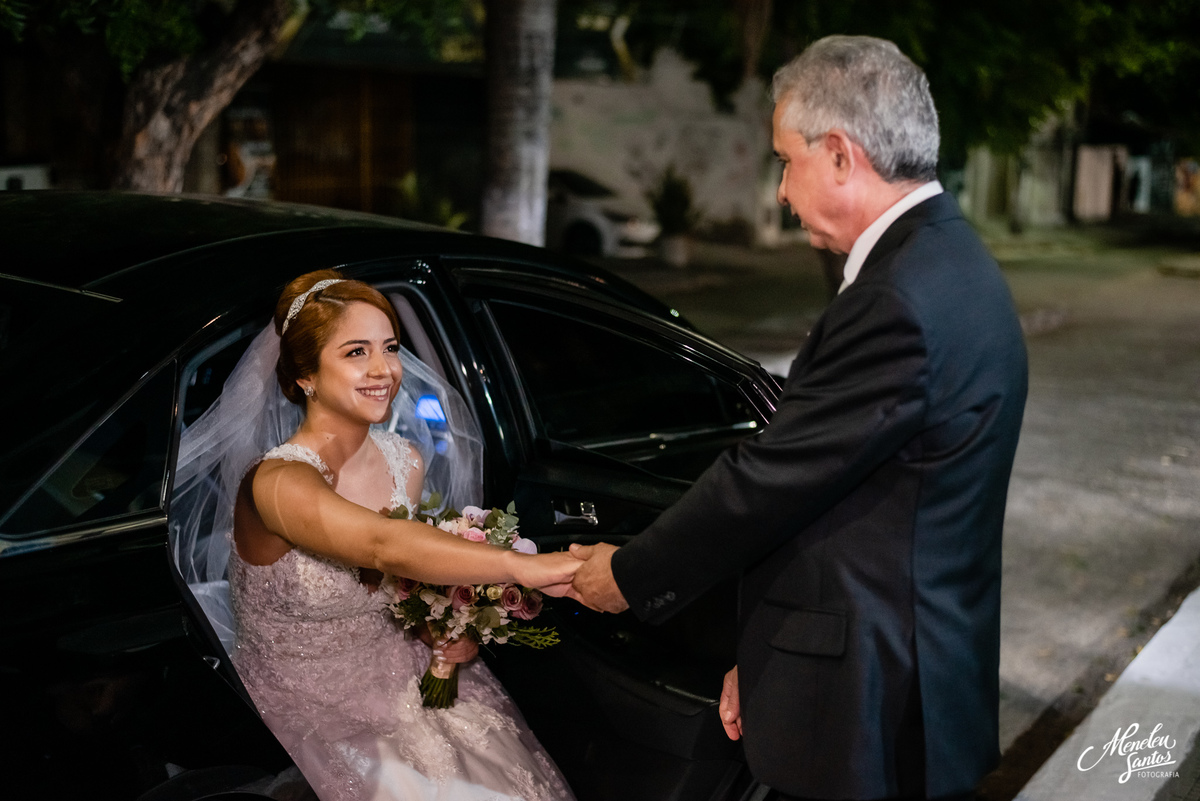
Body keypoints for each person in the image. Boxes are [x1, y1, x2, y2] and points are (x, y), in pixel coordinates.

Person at [568, 36, 1029, 801]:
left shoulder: (897, 299)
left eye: (786, 160)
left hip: (869, 702)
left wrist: (628, 573)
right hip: (910, 668)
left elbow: (771, 478)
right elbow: (856, 490)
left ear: (841, 154)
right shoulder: (953, 262)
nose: (781, 189)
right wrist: (765, 646)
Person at [173, 270, 577, 801]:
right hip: (307, 707)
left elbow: (402, 583)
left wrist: (445, 631)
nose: (384, 369)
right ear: (305, 376)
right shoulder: (277, 484)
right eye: (356, 352)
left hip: (403, 681)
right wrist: (524, 566)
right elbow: (382, 545)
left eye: (390, 347)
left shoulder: (403, 459)